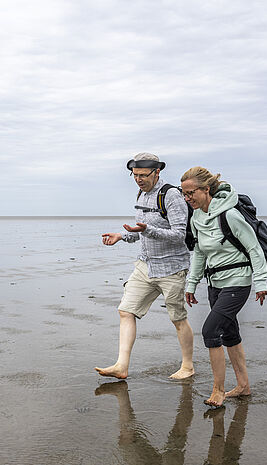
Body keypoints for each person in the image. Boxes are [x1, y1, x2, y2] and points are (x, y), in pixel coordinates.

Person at [95, 152, 194, 380]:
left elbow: (179, 235)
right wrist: (121, 236)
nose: (138, 179)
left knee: (178, 319)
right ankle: (121, 365)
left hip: (172, 268)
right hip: (145, 266)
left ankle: (187, 366)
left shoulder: (171, 196)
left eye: (143, 175)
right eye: (134, 175)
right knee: (125, 310)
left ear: (157, 172)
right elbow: (141, 232)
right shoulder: (141, 194)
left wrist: (147, 230)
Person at [181, 166, 267, 408]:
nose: (187, 198)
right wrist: (191, 284)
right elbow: (199, 253)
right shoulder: (197, 217)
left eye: (191, 193)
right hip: (215, 284)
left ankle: (218, 390)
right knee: (230, 333)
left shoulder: (230, 215)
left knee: (211, 331)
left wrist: (261, 282)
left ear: (206, 189)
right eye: (184, 194)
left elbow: (254, 249)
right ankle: (243, 386)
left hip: (238, 282)